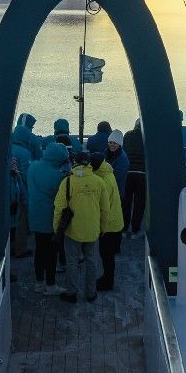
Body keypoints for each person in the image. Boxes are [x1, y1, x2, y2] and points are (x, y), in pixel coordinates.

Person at [52, 149, 109, 303]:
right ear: (89, 164)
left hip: (73, 230)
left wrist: (57, 228)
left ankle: (71, 293)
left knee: (72, 261)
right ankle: (91, 293)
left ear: (75, 163)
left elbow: (59, 207)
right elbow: (105, 208)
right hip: (92, 229)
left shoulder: (67, 182)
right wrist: (103, 227)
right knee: (91, 260)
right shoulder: (99, 181)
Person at [28, 142, 70, 293]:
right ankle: (50, 285)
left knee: (39, 250)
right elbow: (62, 195)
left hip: (34, 216)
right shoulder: (56, 176)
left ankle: (39, 282)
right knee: (52, 253)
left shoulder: (33, 166)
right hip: (50, 219)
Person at [91, 150, 125, 292]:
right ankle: (107, 277)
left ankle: (108, 281)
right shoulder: (108, 172)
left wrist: (100, 227)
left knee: (106, 255)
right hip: (116, 220)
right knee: (109, 255)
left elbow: (103, 207)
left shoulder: (102, 181)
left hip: (108, 225)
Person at [122, 118, 146, 234]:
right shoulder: (148, 136)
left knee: (126, 201)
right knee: (139, 203)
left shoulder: (127, 135)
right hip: (142, 174)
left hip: (128, 172)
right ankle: (135, 229)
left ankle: (124, 227)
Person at [105, 129, 129, 197]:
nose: (112, 145)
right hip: (107, 190)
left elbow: (117, 178)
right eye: (110, 142)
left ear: (120, 144)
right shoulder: (106, 152)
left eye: (114, 143)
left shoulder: (122, 159)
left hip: (116, 193)